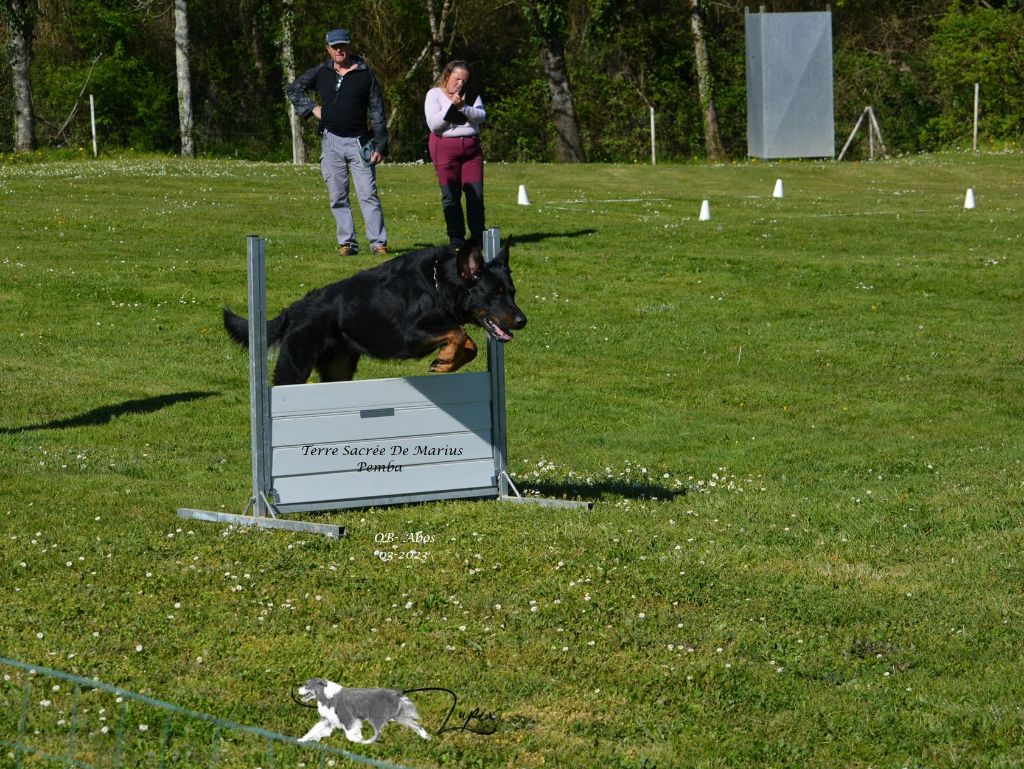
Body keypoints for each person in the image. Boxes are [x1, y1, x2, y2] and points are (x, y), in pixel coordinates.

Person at [288, 29, 389, 257]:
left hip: (360, 142)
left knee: (368, 193)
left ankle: (378, 243)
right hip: (331, 141)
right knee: (337, 195)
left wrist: (381, 144)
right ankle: (347, 243)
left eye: (342, 45)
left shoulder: (365, 74)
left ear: (349, 46)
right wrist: (312, 108)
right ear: (328, 49)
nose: (339, 50)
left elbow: (377, 110)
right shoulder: (322, 72)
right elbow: (293, 89)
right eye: (334, 47)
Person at [424, 60, 486, 248]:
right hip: (444, 147)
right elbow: (434, 124)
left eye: (464, 80)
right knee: (451, 194)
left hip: (471, 149)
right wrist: (452, 108)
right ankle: (456, 237)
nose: (460, 83)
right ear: (447, 75)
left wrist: (463, 108)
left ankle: (478, 236)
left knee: (475, 193)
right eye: (457, 78)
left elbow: (481, 116)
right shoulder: (434, 94)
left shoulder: (470, 94)